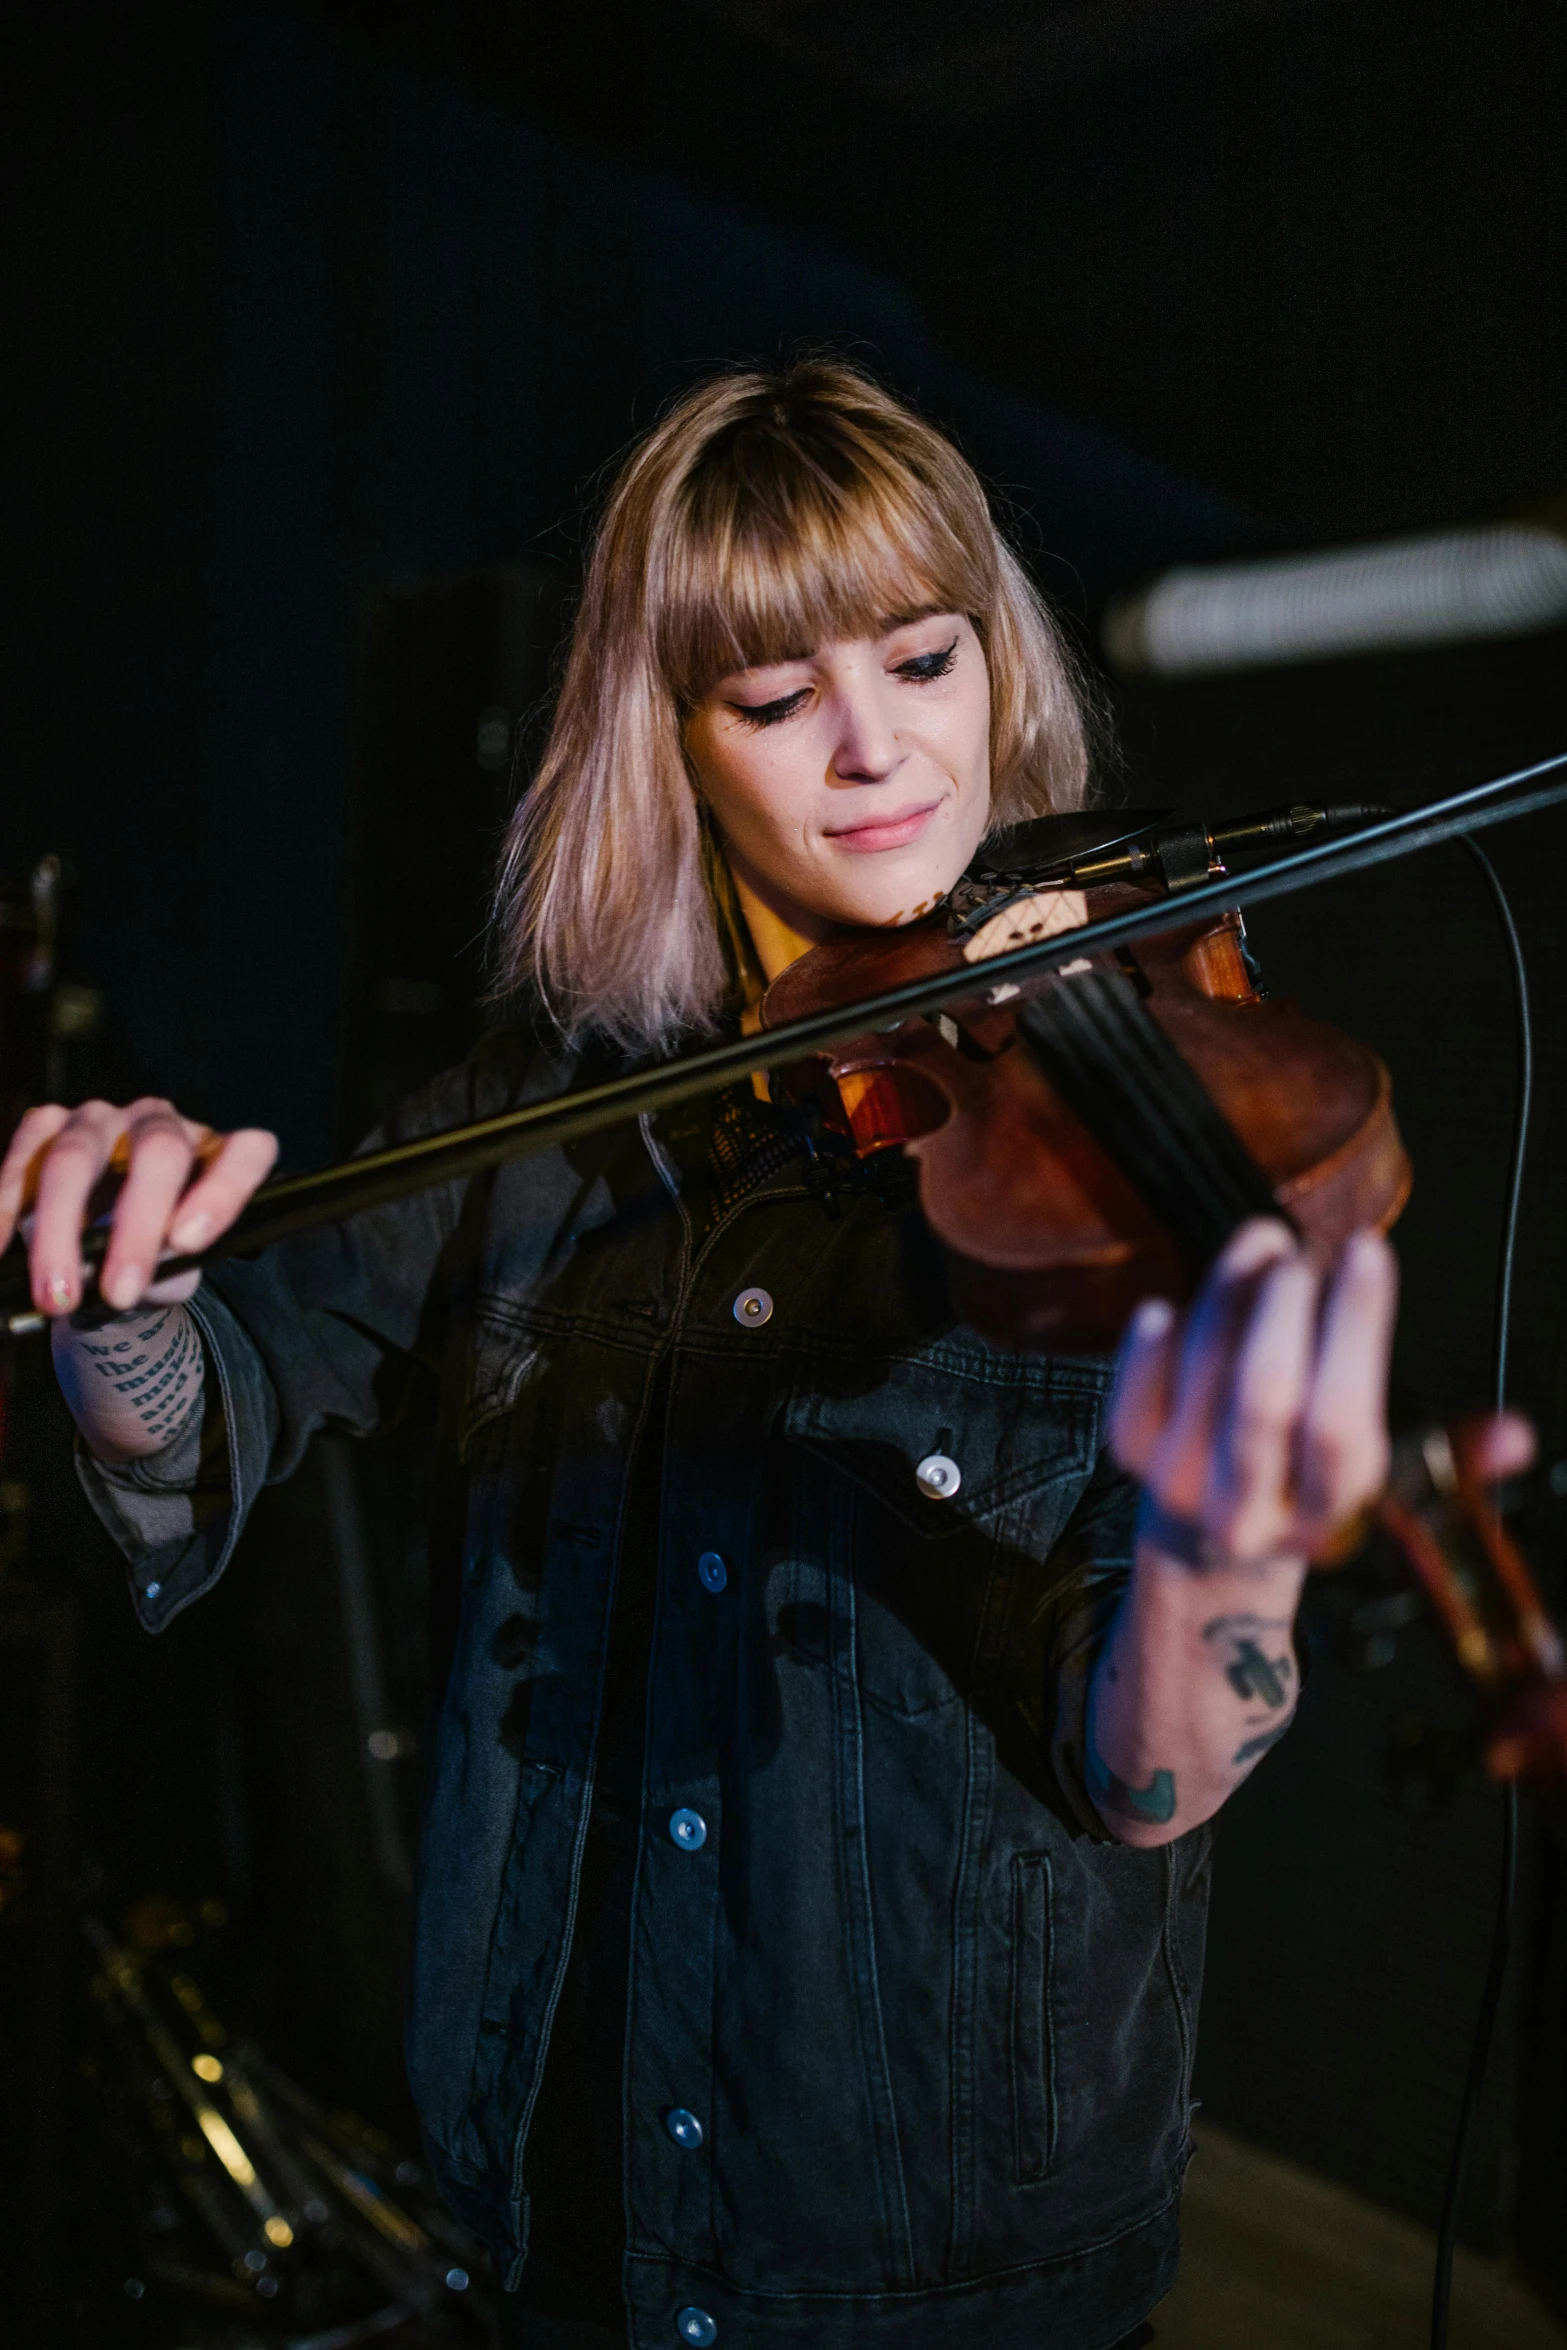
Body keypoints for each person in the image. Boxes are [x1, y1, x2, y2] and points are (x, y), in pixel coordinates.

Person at [2, 360, 1398, 2349]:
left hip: (945, 2273)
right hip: (553, 2207)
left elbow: (1152, 1768)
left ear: (998, 669)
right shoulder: (542, 1109)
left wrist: (1225, 1540)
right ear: (670, 745)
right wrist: (120, 1300)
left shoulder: (1137, 1113)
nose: (874, 749)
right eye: (772, 698)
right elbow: (196, 1426)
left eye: (922, 659)